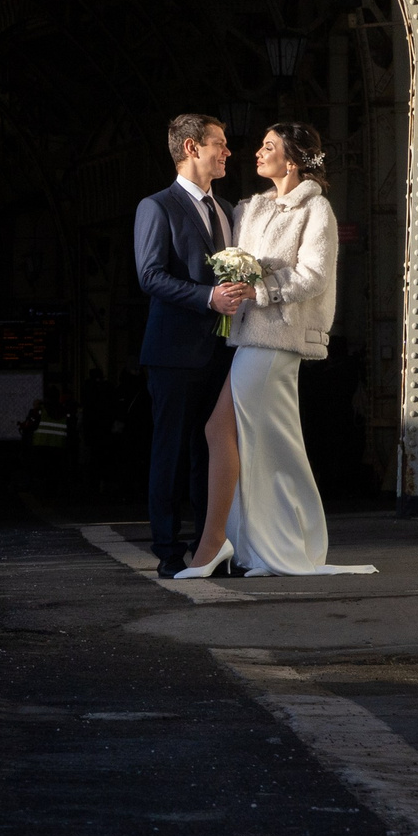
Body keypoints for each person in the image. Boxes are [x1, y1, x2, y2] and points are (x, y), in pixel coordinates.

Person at [179, 122, 377, 578]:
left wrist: (260, 289)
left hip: (278, 340)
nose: (257, 152)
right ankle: (257, 544)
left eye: (269, 146)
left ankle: (219, 545)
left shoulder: (316, 209)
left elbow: (315, 276)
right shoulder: (250, 208)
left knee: (235, 435)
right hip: (249, 337)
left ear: (291, 161)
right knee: (251, 441)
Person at [134, 113, 251, 577]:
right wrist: (208, 297)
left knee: (213, 451)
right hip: (173, 353)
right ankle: (167, 551)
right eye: (219, 143)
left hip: (222, 352)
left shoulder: (226, 209)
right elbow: (150, 276)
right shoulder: (156, 207)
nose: (227, 152)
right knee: (171, 451)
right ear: (191, 148)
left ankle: (208, 550)